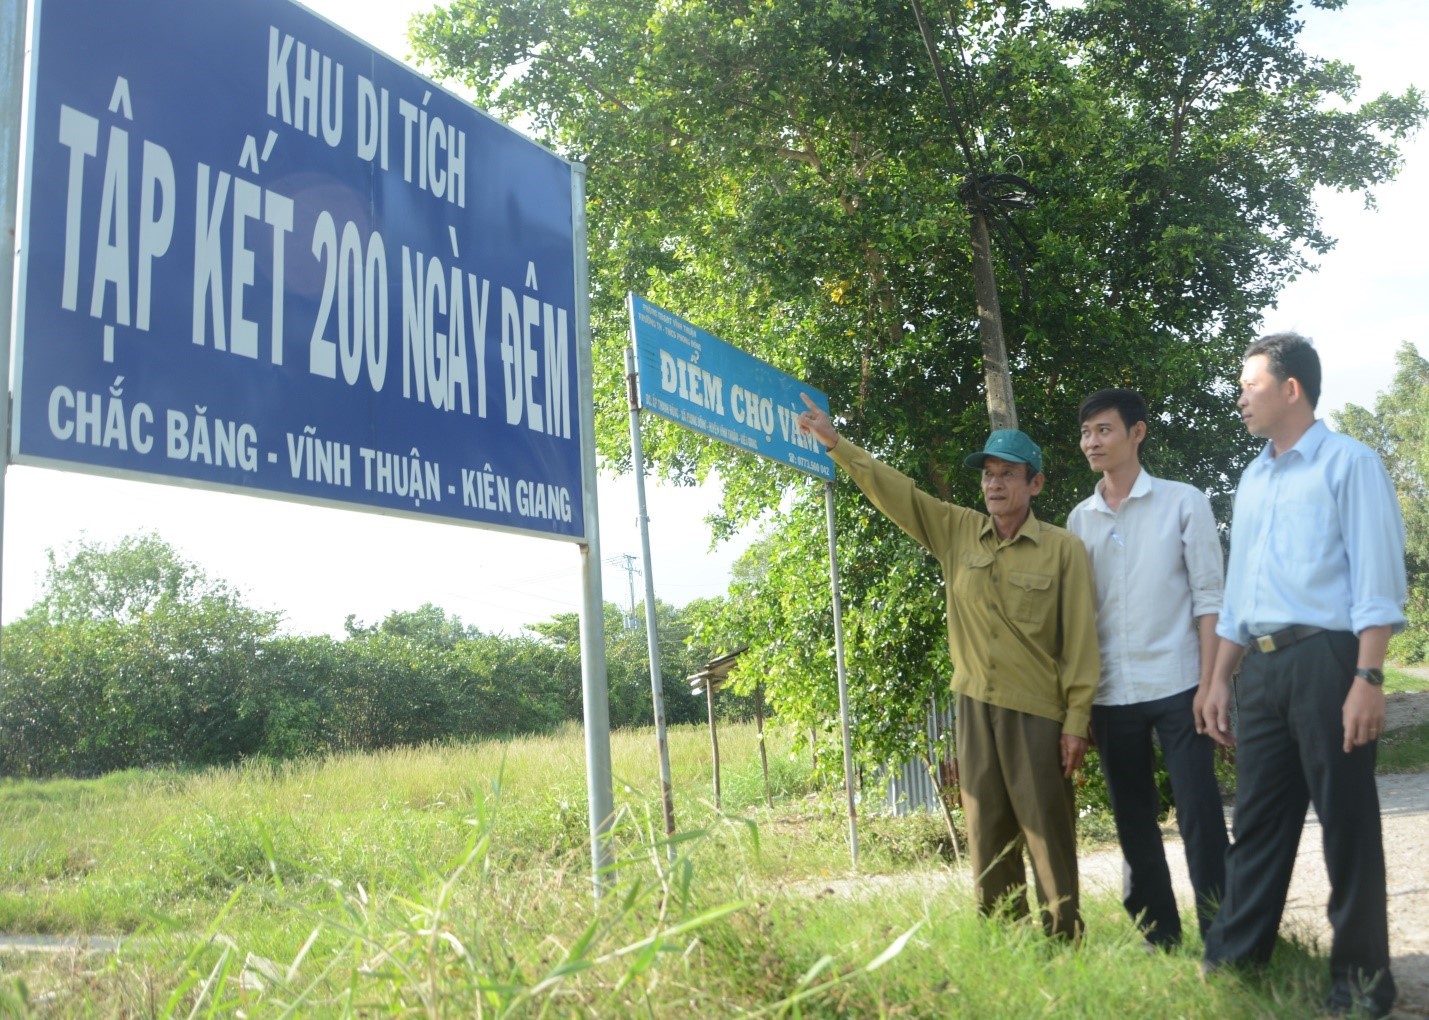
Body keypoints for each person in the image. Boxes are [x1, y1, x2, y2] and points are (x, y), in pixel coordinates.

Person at [798, 395, 1100, 939]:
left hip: (1036, 713)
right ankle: (1005, 942)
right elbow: (897, 493)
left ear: (1035, 485)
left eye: (1007, 474)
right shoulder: (957, 530)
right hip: (974, 708)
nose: (993, 484)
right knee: (987, 834)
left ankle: (1063, 940)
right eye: (988, 474)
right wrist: (837, 445)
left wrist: (1077, 720)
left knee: (1047, 835)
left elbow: (1080, 642)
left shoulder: (1063, 550)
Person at [1198, 334, 1405, 1018]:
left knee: (1344, 823)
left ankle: (1362, 985)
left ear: (1290, 389)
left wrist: (1366, 678)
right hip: (1258, 667)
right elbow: (1237, 595)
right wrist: (1218, 679)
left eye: (1248, 384)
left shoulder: (1349, 463)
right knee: (1256, 822)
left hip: (1327, 659)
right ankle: (1234, 963)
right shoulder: (1251, 477)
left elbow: (1376, 578)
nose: (1239, 397)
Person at [1066, 388, 1229, 950]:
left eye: (1104, 430)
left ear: (1137, 433)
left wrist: (1213, 685)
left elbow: (1211, 597)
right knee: (1133, 820)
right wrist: (1079, 700)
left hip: (1182, 683)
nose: (1092, 442)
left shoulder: (1184, 502)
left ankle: (1223, 928)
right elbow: (1078, 614)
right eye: (1087, 433)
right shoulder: (1079, 520)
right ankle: (1158, 933)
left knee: (1200, 812)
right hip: (1112, 691)